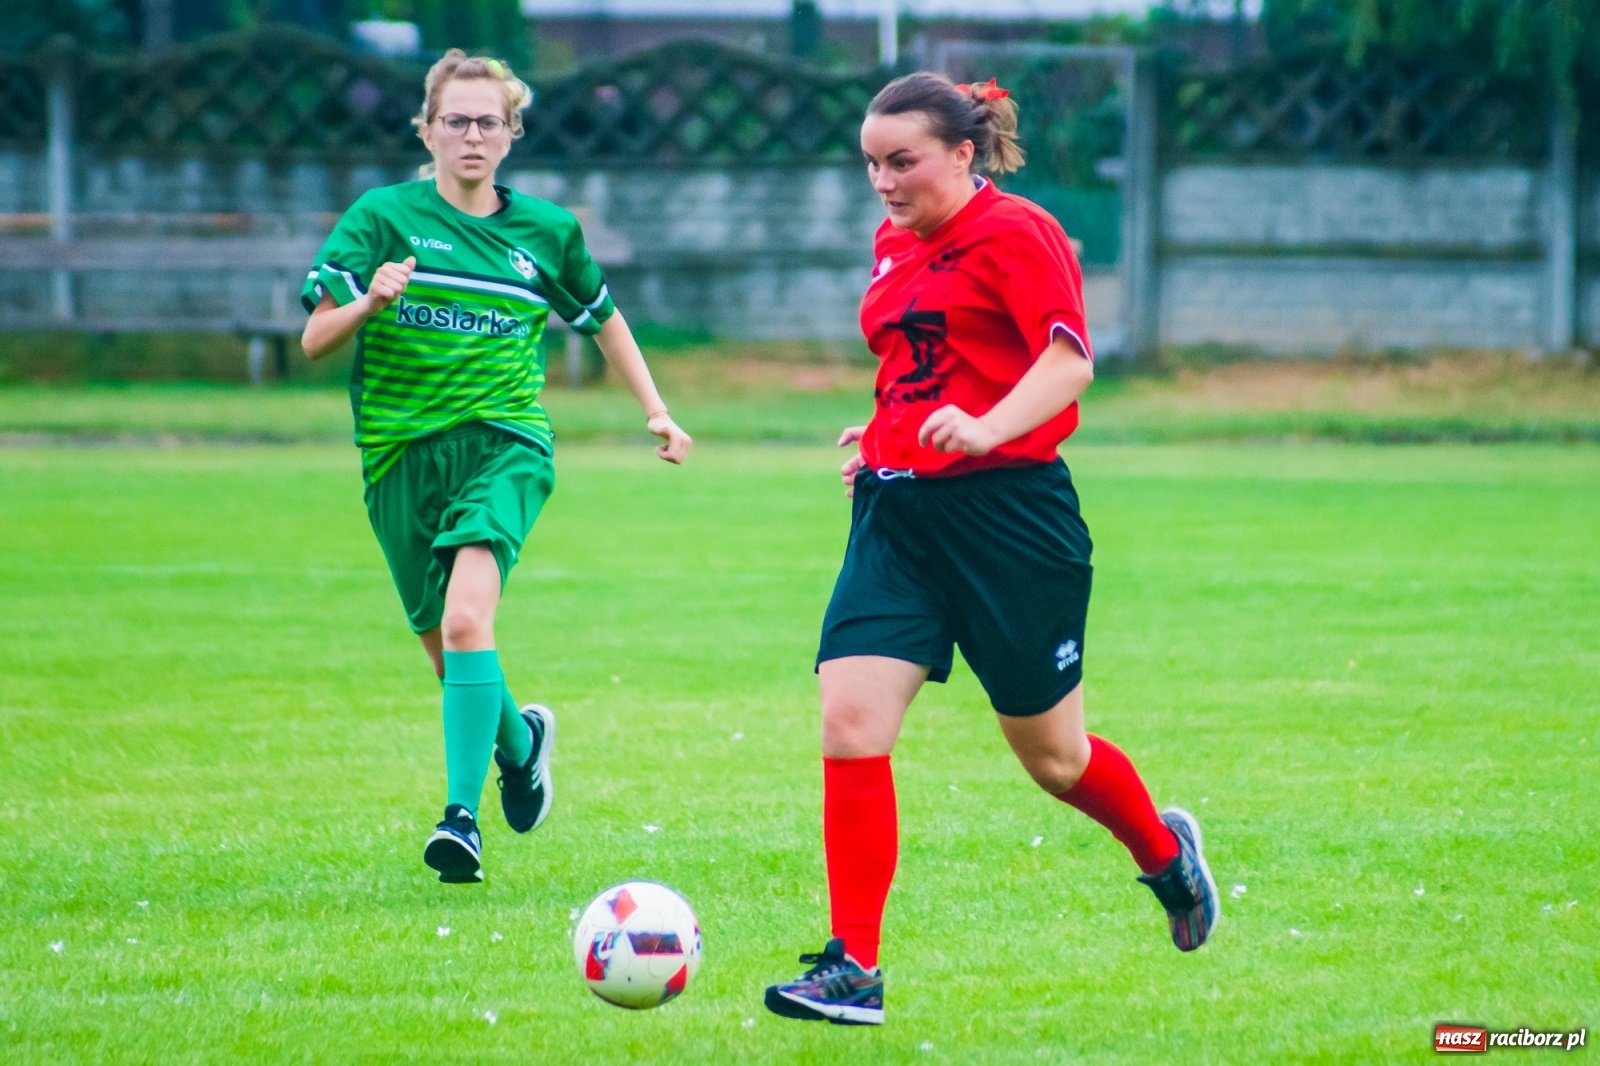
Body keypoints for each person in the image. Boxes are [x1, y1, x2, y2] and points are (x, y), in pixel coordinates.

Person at [763, 73, 1218, 1026]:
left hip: (1011, 520)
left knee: (1055, 760)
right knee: (849, 722)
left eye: (903, 163)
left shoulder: (1020, 233)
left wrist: (984, 429)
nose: (884, 184)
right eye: (872, 166)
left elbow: (1067, 360)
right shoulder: (896, 239)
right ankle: (855, 966)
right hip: (899, 516)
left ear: (964, 154)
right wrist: (885, 432)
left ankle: (1165, 857)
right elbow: (917, 363)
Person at [299, 50, 691, 885]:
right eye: (455, 120)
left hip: (507, 445)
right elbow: (313, 338)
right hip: (399, 458)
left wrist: (655, 409)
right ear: (428, 130)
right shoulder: (380, 217)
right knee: (447, 651)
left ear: (511, 134)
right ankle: (521, 745)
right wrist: (370, 298)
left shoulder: (547, 231)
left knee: (471, 623)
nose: (471, 135)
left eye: (488, 121)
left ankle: (460, 820)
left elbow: (605, 319)